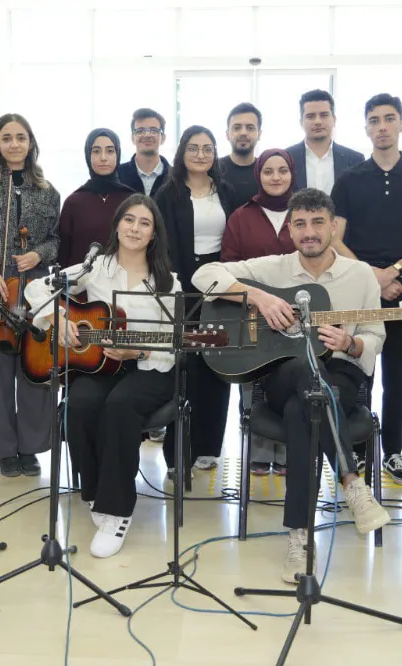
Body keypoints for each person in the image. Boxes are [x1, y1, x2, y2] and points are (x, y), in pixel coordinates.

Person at [192, 188, 390, 583]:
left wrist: (351, 343)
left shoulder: (361, 274)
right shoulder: (274, 268)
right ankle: (351, 481)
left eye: (318, 222)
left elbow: (376, 334)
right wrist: (258, 298)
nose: (309, 231)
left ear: (333, 227)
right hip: (284, 375)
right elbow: (204, 275)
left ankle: (300, 535)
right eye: (300, 223)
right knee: (303, 367)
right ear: (290, 229)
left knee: (308, 407)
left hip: (341, 375)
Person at [24, 194, 179, 558]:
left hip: (149, 367)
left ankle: (117, 511)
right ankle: (93, 489)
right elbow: (34, 289)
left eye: (144, 223)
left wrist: (136, 350)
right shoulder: (95, 267)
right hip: (99, 363)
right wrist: (58, 318)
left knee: (121, 405)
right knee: (79, 403)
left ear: (154, 234)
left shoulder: (168, 282)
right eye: (129, 220)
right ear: (117, 225)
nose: (135, 228)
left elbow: (173, 343)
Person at [331, 93, 402, 485]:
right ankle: (357, 455)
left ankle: (393, 452)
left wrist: (393, 272)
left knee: (396, 376)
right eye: (374, 120)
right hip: (357, 288)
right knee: (358, 371)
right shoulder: (348, 179)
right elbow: (335, 238)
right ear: (365, 127)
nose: (382, 126)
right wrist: (372, 275)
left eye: (389, 118)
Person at [0, 114, 60, 478]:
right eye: (6, 138)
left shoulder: (47, 190)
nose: (14, 144)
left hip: (35, 287)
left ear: (30, 143)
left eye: (21, 137)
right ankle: (5, 448)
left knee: (35, 367)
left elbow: (56, 239)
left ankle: (31, 445)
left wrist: (39, 254)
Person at [155, 125, 236, 474]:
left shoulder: (227, 191)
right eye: (194, 148)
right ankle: (178, 454)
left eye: (208, 148)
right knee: (183, 369)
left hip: (220, 284)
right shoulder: (167, 193)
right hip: (181, 286)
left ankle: (208, 447)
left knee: (216, 363)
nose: (201, 154)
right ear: (181, 153)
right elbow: (160, 245)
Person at [220, 148, 297, 475]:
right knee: (255, 381)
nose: (276, 177)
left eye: (282, 170)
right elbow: (227, 267)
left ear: (292, 174)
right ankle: (258, 450)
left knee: (291, 378)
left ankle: (290, 450)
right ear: (258, 175)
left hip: (296, 314)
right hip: (252, 312)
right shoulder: (241, 216)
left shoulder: (304, 212)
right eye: (268, 171)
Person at [57, 128, 135, 267]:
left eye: (110, 151)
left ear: (118, 154)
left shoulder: (133, 200)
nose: (103, 157)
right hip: (81, 284)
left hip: (123, 284)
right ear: (88, 155)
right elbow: (63, 256)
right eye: (96, 151)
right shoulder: (73, 202)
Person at [286, 89, 364, 196]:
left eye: (324, 115)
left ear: (334, 119)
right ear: (301, 122)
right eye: (310, 116)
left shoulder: (354, 159)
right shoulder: (287, 158)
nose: (317, 121)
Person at [118, 108, 170, 197]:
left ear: (163, 138)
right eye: (140, 130)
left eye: (153, 130)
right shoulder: (118, 175)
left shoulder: (175, 177)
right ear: (132, 138)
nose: (147, 135)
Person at [219, 102, 263, 209]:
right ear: (227, 134)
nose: (243, 133)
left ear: (259, 134)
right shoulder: (213, 169)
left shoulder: (266, 171)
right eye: (237, 128)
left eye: (250, 128)